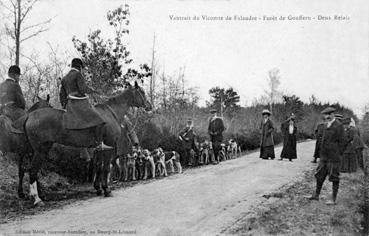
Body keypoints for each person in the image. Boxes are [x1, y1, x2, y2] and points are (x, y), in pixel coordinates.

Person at [59, 58, 112, 150]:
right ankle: (99, 143)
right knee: (100, 119)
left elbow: (62, 95)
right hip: (80, 103)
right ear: (79, 67)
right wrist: (93, 91)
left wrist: (64, 106)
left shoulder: (64, 78)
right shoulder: (78, 74)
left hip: (70, 104)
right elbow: (83, 89)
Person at [308, 107, 344, 205]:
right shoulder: (324, 126)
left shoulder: (339, 126)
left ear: (333, 114)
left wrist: (337, 154)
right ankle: (316, 195)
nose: (326, 117)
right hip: (323, 157)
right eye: (325, 115)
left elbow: (342, 143)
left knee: (334, 177)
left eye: (328, 114)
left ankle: (333, 199)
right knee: (319, 175)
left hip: (334, 157)